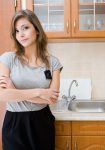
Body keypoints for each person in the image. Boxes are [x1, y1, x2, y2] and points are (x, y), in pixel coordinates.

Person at [0, 9, 63, 150]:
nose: (21, 34)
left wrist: (14, 91)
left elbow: (52, 98)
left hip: (42, 121)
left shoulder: (53, 63)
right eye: (17, 31)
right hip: (15, 124)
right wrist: (40, 92)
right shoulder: (8, 59)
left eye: (25, 28)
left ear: (37, 30)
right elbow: (2, 94)